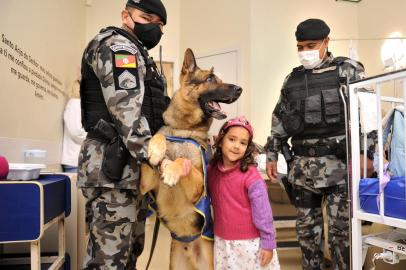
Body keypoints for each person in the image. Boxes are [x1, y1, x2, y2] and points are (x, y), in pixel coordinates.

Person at [265, 19, 374, 270]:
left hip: (340, 169)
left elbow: (368, 116)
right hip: (303, 171)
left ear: (327, 42)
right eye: (300, 47)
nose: (305, 52)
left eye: (311, 45)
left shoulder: (349, 70)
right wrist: (272, 154)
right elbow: (279, 120)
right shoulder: (291, 81)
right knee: (307, 238)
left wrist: (367, 154)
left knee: (341, 238)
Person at [78, 0, 171, 268]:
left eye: (160, 24)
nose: (154, 27)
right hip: (112, 170)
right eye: (147, 17)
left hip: (132, 172)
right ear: (125, 16)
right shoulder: (118, 48)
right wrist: (159, 160)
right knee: (108, 262)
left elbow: (154, 111)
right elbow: (126, 111)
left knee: (129, 254)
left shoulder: (141, 55)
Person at [208, 116, 280, 270]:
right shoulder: (211, 171)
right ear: (220, 141)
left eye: (243, 143)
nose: (236, 146)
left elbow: (264, 213)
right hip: (223, 243)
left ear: (247, 148)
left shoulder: (251, 176)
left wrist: (268, 243)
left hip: (251, 244)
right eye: (232, 139)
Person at [61, 79, 87, 173]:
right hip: (74, 161)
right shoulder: (75, 103)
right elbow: (77, 132)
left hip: (76, 161)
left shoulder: (77, 104)